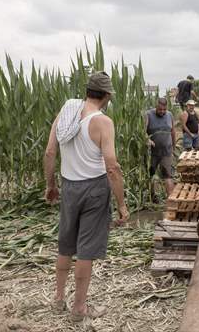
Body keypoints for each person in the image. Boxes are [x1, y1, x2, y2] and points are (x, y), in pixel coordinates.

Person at [43, 71, 129, 321]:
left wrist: (51, 185)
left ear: (87, 91)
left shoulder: (67, 111)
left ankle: (58, 299)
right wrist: (122, 205)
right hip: (94, 189)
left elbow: (50, 152)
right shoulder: (103, 122)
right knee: (86, 250)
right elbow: (111, 167)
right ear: (107, 95)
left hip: (69, 186)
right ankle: (79, 308)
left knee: (65, 245)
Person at [145, 97, 176, 200]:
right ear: (156, 106)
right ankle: (152, 197)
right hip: (152, 152)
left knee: (168, 174)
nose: (162, 112)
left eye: (164, 110)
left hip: (166, 150)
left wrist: (174, 147)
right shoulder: (148, 115)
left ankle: (170, 199)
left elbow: (173, 132)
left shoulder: (170, 115)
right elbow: (142, 131)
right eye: (160, 109)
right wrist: (147, 139)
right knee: (151, 174)